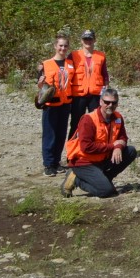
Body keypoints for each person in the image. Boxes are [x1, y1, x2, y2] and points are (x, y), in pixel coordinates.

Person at [61, 87, 137, 198]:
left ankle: (106, 178)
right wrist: (112, 146)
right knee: (106, 192)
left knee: (130, 151)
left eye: (113, 102)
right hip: (83, 162)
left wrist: (118, 147)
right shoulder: (88, 119)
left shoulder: (118, 117)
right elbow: (86, 147)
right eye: (107, 102)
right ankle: (75, 178)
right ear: (101, 101)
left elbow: (123, 137)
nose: (110, 105)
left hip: (102, 159)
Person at [37, 34, 76, 176]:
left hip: (65, 104)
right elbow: (40, 85)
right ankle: (48, 164)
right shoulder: (46, 64)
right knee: (50, 134)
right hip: (51, 104)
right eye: (60, 45)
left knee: (61, 134)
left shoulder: (70, 63)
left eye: (65, 46)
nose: (63, 48)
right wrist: (40, 83)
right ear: (55, 46)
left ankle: (56, 162)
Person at [67, 29, 109, 137]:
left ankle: (94, 147)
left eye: (90, 39)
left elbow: (104, 75)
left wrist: (105, 94)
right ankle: (72, 149)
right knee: (76, 122)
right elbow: (67, 73)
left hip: (95, 95)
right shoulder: (73, 55)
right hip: (78, 95)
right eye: (85, 39)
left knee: (95, 122)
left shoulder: (101, 56)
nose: (88, 41)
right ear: (81, 40)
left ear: (94, 40)